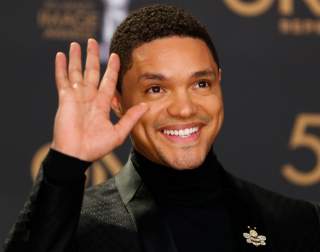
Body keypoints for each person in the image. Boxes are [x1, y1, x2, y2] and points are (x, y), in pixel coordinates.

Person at [4, 4, 320, 252]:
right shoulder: (82, 225)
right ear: (116, 101)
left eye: (201, 83)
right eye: (156, 89)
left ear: (219, 83)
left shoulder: (295, 223)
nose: (184, 108)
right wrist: (65, 166)